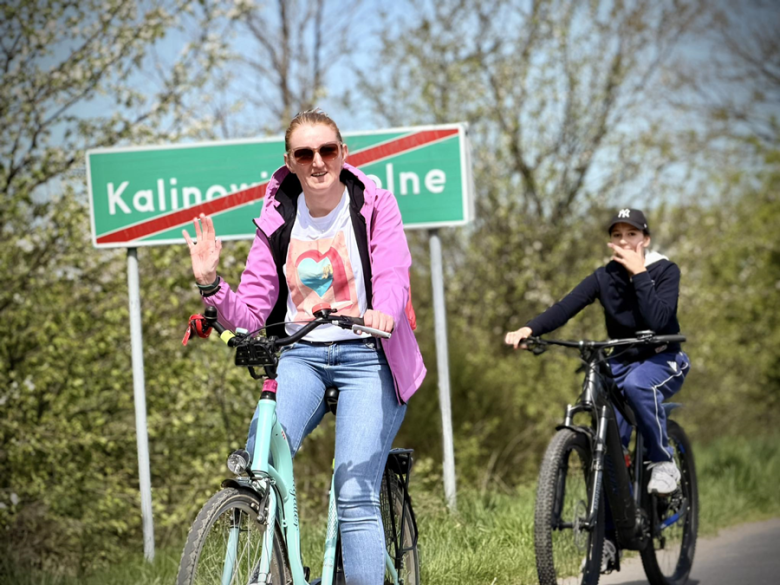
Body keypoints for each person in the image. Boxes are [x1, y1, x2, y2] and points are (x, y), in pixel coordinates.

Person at [183, 109, 426, 584]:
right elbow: (251, 313)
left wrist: (384, 312)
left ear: (343, 153)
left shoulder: (374, 203)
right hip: (302, 356)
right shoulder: (277, 219)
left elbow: (394, 273)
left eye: (327, 150)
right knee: (259, 466)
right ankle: (279, 569)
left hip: (369, 354)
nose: (318, 162)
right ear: (289, 161)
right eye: (305, 153)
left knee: (353, 492)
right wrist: (211, 283)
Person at [504, 209, 690, 496]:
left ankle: (663, 462)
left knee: (637, 385)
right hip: (622, 360)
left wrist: (639, 273)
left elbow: (658, 320)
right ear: (611, 242)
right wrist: (529, 329)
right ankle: (610, 517)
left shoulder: (665, 270)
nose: (624, 241)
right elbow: (565, 307)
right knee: (604, 410)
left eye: (632, 234)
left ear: (646, 239)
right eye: (617, 235)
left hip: (662, 358)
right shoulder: (604, 276)